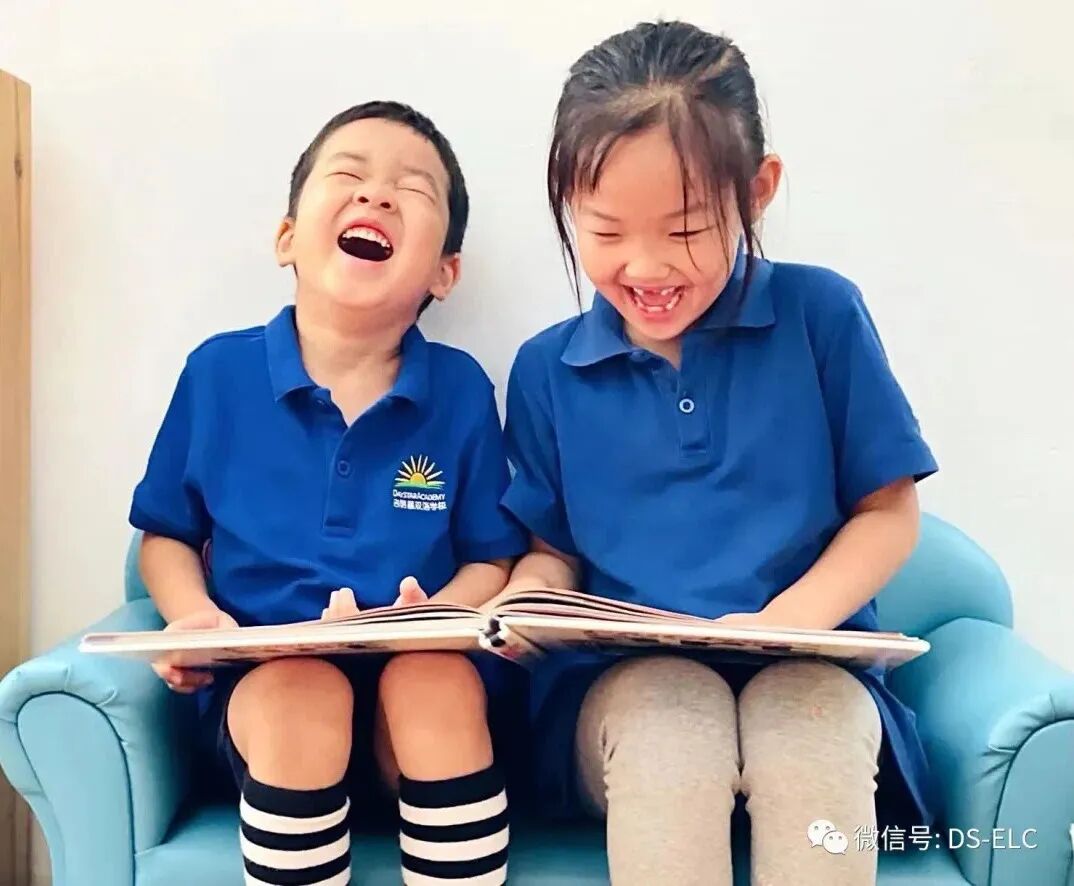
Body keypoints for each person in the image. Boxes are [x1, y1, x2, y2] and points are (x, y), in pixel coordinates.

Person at [501, 21, 937, 886]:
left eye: (686, 230)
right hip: (623, 691)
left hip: (810, 663)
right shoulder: (547, 370)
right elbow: (552, 554)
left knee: (806, 724)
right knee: (671, 718)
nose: (645, 267)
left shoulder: (821, 317)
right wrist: (519, 607)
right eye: (606, 232)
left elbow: (888, 513)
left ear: (757, 190)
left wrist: (788, 623)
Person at [130, 100, 525, 886]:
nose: (375, 195)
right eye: (348, 175)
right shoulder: (219, 374)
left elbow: (493, 560)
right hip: (272, 701)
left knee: (432, 678)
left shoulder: (459, 390)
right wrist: (191, 615)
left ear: (445, 273)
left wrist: (430, 618)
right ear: (287, 237)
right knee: (300, 688)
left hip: (417, 705)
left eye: (412, 189)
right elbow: (166, 533)